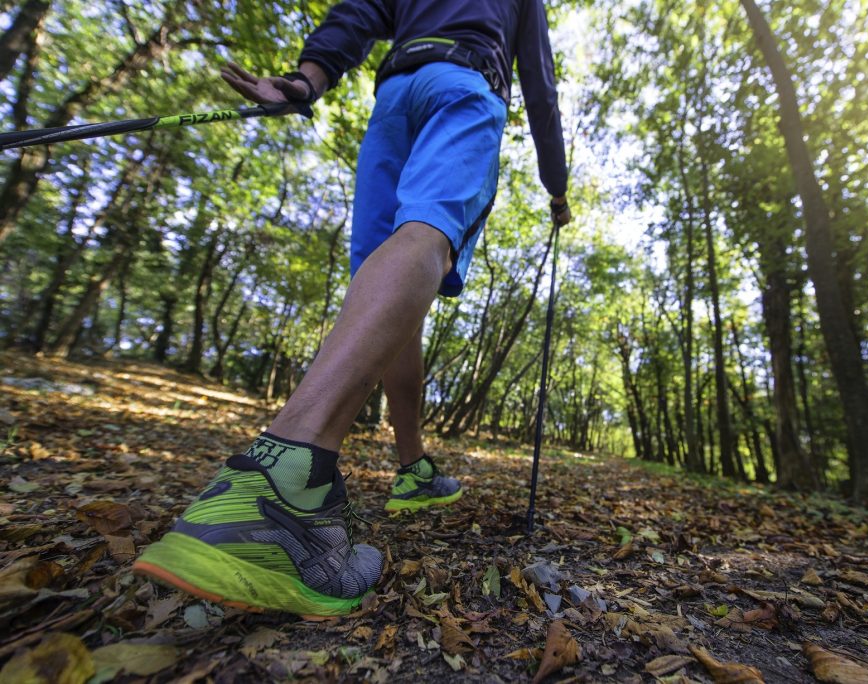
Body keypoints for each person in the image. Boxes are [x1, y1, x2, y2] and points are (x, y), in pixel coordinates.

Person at [133, 0, 571, 618]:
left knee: (387, 276)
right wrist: (556, 185)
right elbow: (540, 84)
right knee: (427, 237)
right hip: (461, 83)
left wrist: (309, 77)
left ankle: (412, 467)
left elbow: (359, 11)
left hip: (394, 99)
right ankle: (283, 482)